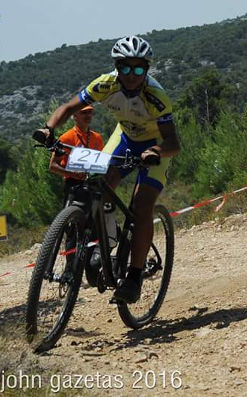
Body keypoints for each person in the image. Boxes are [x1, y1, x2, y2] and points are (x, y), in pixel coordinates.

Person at [35, 35, 180, 303]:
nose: (132, 74)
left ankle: (134, 276)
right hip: (125, 138)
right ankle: (101, 243)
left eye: (139, 69)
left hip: (155, 145)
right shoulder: (105, 84)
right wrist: (48, 128)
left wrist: (156, 152)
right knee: (97, 185)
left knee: (142, 205)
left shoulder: (156, 96)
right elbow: (68, 107)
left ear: (146, 70)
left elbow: (174, 143)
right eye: (125, 67)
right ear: (117, 67)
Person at [49, 104, 105, 205]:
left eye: (90, 112)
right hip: (73, 185)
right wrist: (72, 173)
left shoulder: (98, 138)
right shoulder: (66, 138)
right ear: (75, 116)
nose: (88, 115)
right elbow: (53, 166)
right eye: (83, 113)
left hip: (94, 184)